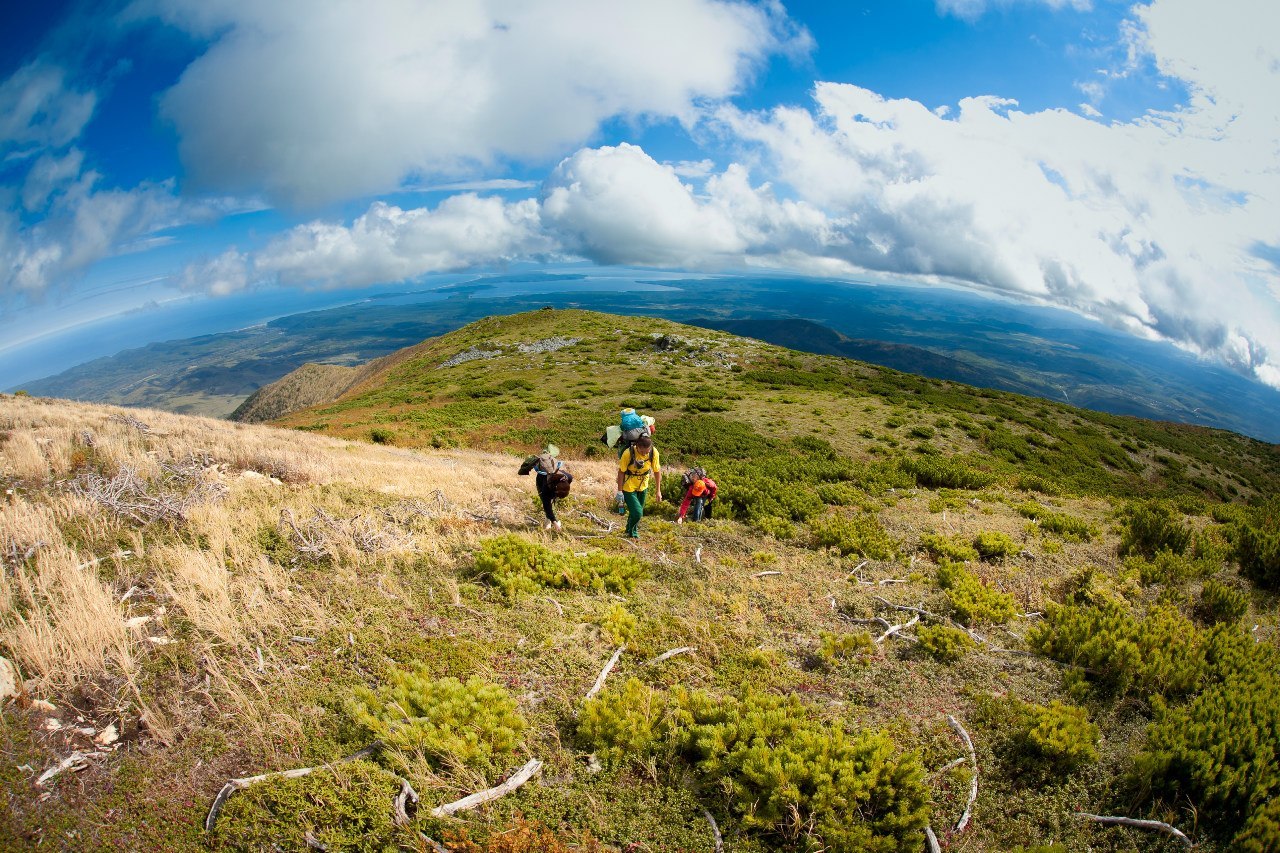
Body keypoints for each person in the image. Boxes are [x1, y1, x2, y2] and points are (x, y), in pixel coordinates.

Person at [616, 433, 661, 539]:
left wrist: (658, 490)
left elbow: (657, 471)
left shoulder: (654, 452)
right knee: (638, 512)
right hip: (628, 486)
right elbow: (621, 472)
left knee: (636, 511)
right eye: (642, 452)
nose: (645, 454)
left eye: (647, 451)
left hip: (643, 485)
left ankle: (628, 528)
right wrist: (619, 491)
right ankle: (633, 533)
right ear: (637, 446)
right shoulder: (628, 453)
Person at [518, 445, 571, 531]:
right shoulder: (545, 489)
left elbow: (568, 479)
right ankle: (548, 524)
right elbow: (547, 507)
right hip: (541, 482)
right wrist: (555, 523)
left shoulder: (567, 478)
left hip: (553, 481)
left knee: (552, 502)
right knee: (547, 503)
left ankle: (551, 521)